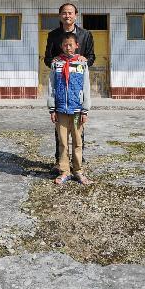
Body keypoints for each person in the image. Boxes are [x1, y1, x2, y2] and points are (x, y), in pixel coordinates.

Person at [43, 3, 95, 164]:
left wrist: (85, 60)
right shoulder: (53, 35)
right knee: (60, 131)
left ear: (76, 15)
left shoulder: (85, 35)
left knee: (78, 129)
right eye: (64, 13)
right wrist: (55, 60)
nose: (67, 16)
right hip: (61, 88)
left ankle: (78, 161)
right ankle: (60, 161)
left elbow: (91, 57)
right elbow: (47, 58)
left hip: (77, 87)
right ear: (60, 16)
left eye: (70, 13)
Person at [46, 34, 93, 186]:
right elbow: (51, 86)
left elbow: (86, 87)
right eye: (65, 45)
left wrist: (85, 110)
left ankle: (78, 170)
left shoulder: (82, 64)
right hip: (60, 109)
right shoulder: (56, 64)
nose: (68, 47)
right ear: (62, 46)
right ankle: (64, 171)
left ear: (76, 45)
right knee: (63, 142)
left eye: (71, 44)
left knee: (78, 142)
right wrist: (52, 108)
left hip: (77, 110)